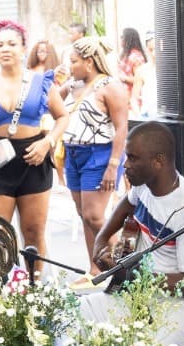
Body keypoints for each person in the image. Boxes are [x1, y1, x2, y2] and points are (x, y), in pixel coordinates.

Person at [85, 122, 184, 346]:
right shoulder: (143, 186)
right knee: (78, 313)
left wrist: (134, 274)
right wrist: (100, 244)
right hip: (147, 292)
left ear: (158, 161)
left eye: (132, 158)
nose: (125, 165)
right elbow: (123, 210)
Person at [0, 20, 66, 268]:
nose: (5, 49)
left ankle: (34, 292)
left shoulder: (40, 82)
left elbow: (63, 116)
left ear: (23, 48)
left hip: (34, 156)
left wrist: (47, 142)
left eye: (11, 44)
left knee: (33, 232)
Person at [44, 36, 128, 263]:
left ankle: (128, 263)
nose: (70, 67)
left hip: (99, 155)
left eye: (73, 61)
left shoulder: (110, 86)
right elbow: (47, 102)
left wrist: (113, 165)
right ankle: (96, 269)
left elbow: (122, 129)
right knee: (84, 215)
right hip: (73, 154)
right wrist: (54, 79)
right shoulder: (72, 86)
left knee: (95, 216)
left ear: (89, 61)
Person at [118, 27, 149, 115]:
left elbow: (140, 79)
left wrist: (124, 78)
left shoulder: (136, 57)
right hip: (124, 100)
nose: (120, 39)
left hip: (133, 103)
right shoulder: (125, 55)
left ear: (128, 38)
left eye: (122, 37)